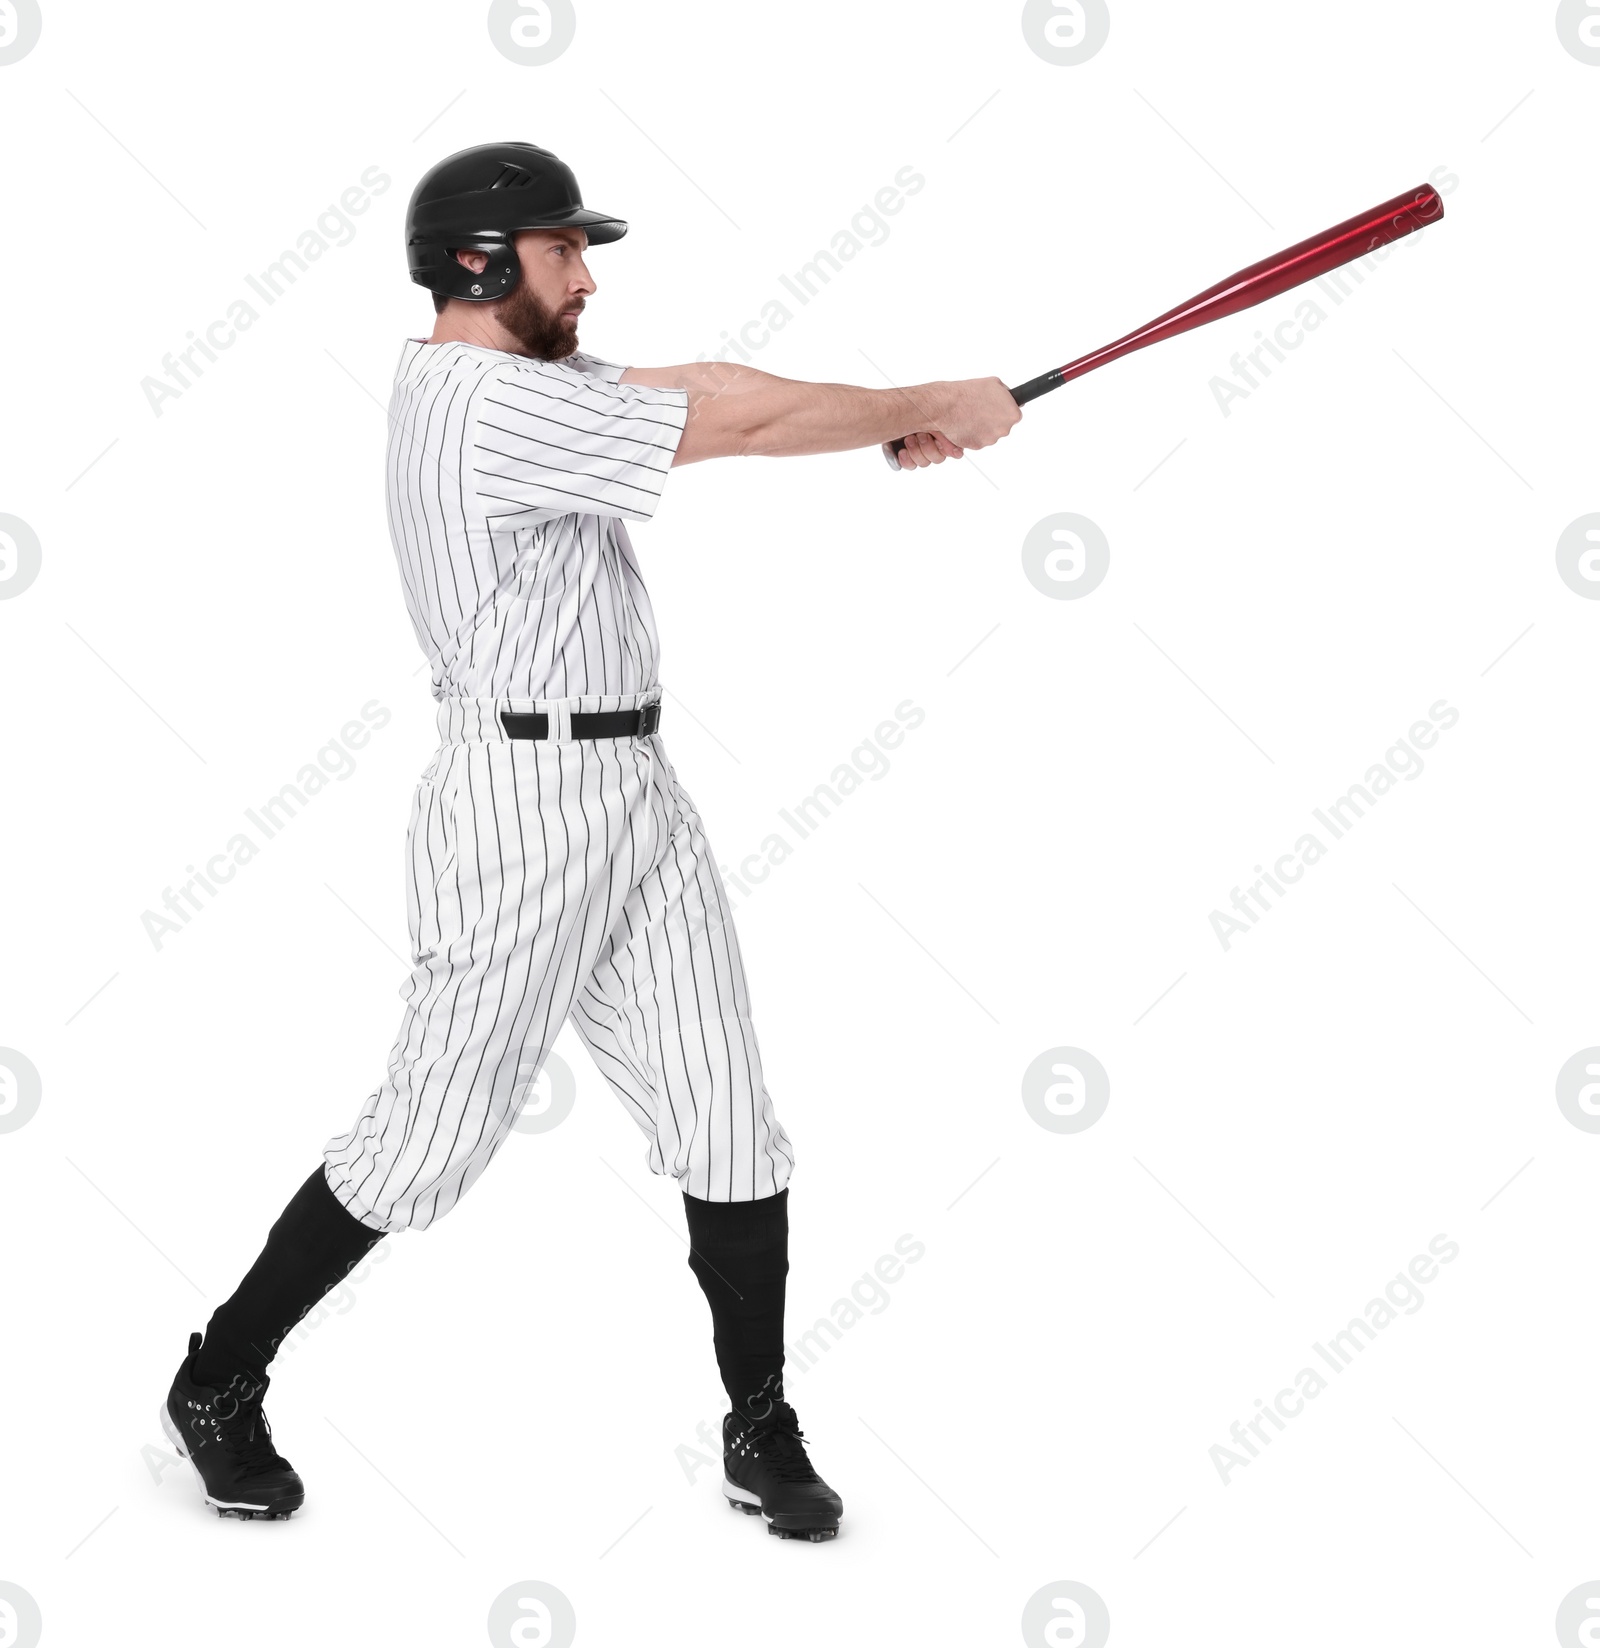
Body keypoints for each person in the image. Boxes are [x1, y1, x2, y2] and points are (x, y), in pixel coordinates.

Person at [159, 140, 1019, 1541]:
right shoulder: (478, 402)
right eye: (565, 250)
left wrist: (889, 423)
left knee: (730, 1120)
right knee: (421, 1144)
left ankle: (757, 1421)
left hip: (635, 791)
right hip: (517, 811)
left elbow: (707, 389)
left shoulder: (531, 386)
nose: (588, 273)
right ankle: (218, 1376)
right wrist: (940, 402)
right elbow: (732, 417)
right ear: (482, 264)